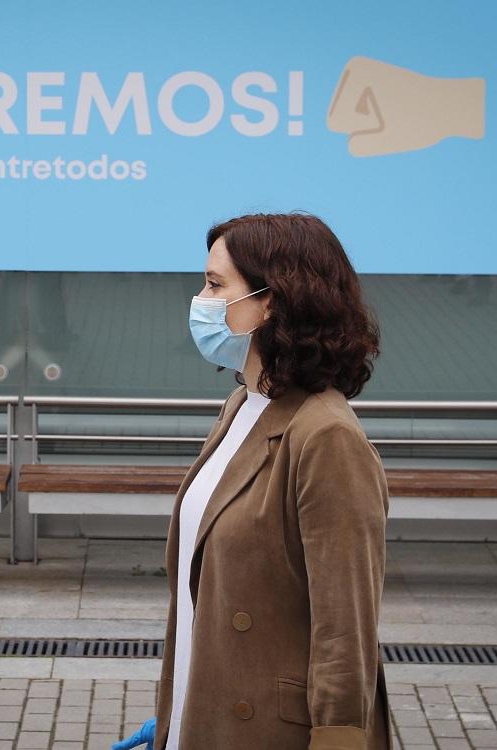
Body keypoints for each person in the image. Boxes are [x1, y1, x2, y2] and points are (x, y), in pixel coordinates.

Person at [116, 213, 390, 749]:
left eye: (217, 285)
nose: (201, 299)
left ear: (272, 301)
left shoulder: (326, 436)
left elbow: (346, 628)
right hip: (204, 718)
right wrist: (173, 720)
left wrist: (339, 740)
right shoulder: (244, 404)